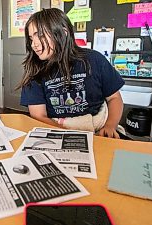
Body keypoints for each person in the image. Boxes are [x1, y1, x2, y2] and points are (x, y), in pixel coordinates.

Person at [18, 8, 125, 138]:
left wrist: (110, 126)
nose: (34, 44)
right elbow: (38, 115)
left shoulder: (94, 59)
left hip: (99, 129)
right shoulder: (34, 70)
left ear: (63, 33)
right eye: (31, 38)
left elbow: (114, 98)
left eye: (40, 36)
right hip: (57, 131)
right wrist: (70, 135)